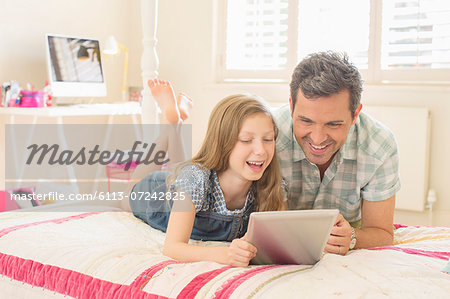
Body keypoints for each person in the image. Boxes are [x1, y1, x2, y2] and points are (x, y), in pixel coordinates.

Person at [125, 79, 286, 267]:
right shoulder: (196, 180)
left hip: (185, 180)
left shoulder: (272, 184)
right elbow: (173, 248)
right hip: (157, 194)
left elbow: (281, 241)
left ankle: (176, 122)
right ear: (222, 142)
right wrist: (224, 255)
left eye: (268, 139)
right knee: (130, 190)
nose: (260, 150)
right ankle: (172, 124)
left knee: (179, 168)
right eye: (246, 140)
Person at [274, 51, 400, 255]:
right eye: (306, 121)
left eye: (333, 124)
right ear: (291, 107)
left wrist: (352, 237)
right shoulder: (267, 136)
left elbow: (382, 233)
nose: (317, 138)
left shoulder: (379, 146)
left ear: (355, 114)